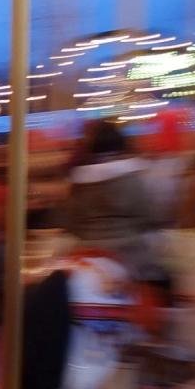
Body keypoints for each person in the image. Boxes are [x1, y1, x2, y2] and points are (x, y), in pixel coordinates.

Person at [55, 119, 164, 282]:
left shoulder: (79, 181)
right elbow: (146, 218)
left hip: (88, 257)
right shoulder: (134, 177)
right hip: (130, 257)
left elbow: (72, 224)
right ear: (121, 143)